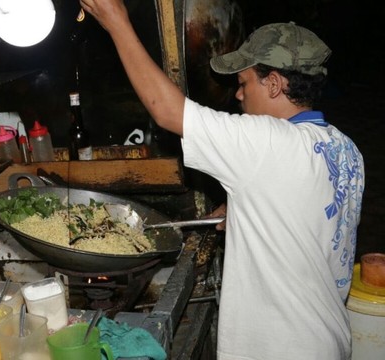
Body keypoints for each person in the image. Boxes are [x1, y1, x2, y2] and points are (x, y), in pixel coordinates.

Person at [80, 1, 365, 359]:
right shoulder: (345, 148)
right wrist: (249, 206)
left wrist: (116, 21)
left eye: (245, 83)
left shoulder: (265, 141)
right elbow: (315, 211)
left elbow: (166, 110)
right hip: (328, 338)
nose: (239, 94)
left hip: (280, 348)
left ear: (274, 84)